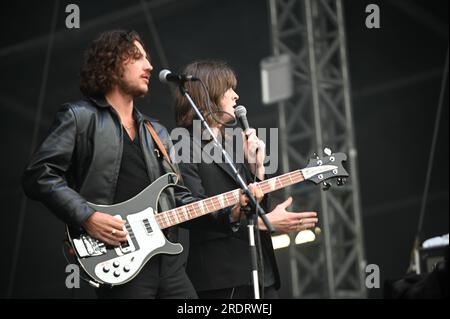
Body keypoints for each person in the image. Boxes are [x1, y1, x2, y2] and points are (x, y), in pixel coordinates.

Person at [22, 30, 199, 299]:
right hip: (119, 260)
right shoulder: (80, 117)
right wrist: (87, 216)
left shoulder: (157, 132)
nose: (149, 66)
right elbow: (39, 174)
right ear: (112, 64)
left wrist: (230, 211)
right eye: (137, 57)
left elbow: (178, 197)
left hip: (169, 265)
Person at [174, 60, 318, 299]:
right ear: (210, 92)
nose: (236, 95)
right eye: (228, 88)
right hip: (220, 277)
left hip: (262, 272)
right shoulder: (183, 143)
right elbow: (193, 212)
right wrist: (260, 222)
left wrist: (257, 169)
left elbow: (259, 204)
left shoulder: (234, 141)